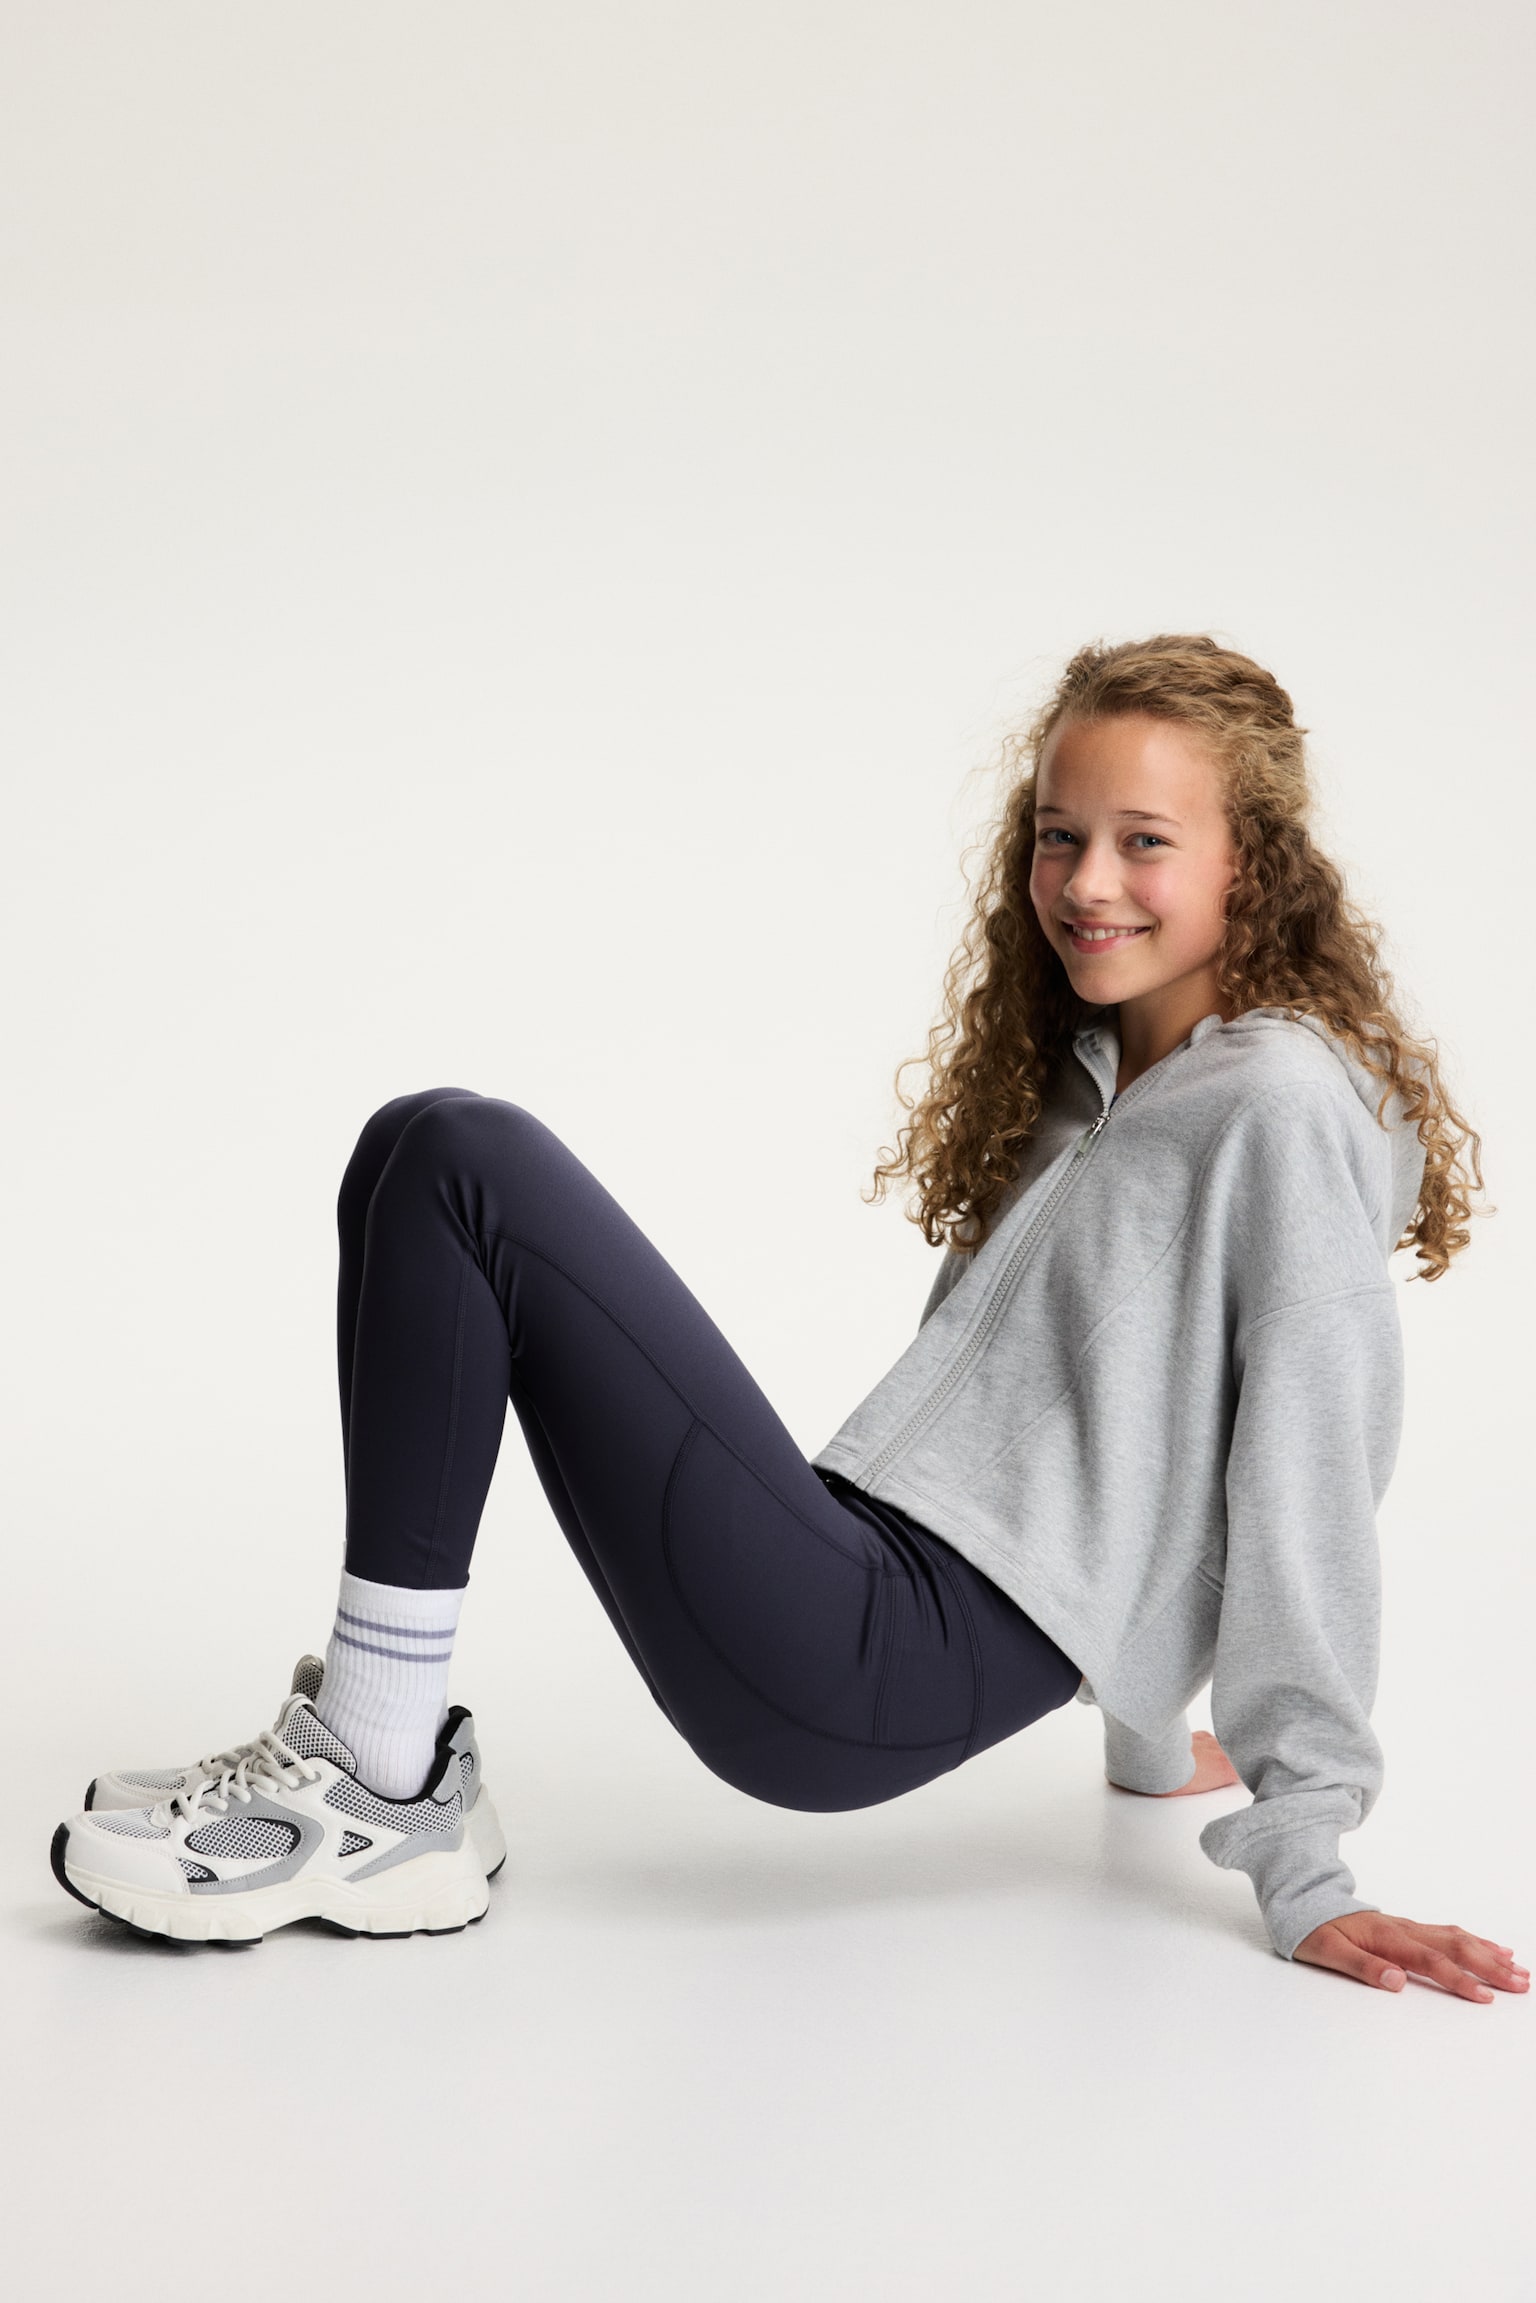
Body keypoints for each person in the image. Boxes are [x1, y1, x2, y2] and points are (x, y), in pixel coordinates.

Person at [52, 632, 1528, 2006]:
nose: (1088, 882)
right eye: (1058, 835)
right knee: (407, 1150)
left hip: (874, 1658)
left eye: (1146, 841)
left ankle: (380, 1777)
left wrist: (1305, 1859)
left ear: (1252, 867)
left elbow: (1306, 1467)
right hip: (864, 1581)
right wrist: (1147, 1739)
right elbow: (1116, 1441)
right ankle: (373, 1752)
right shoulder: (1091, 1080)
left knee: (465, 1158)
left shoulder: (1276, 1108)